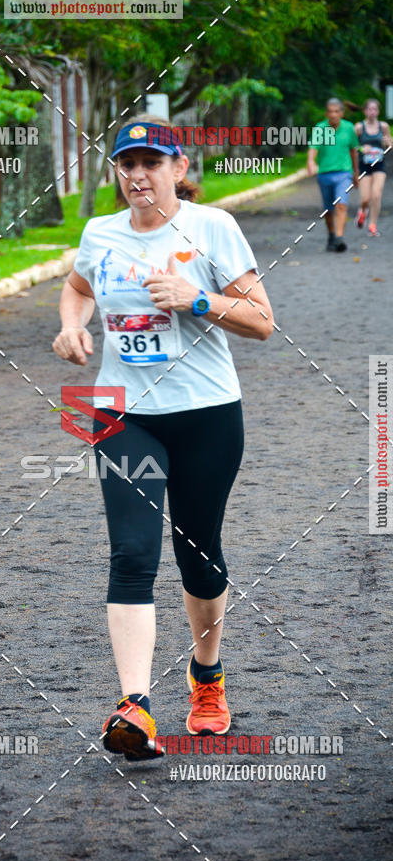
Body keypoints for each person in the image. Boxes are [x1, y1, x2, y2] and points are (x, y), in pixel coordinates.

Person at [52, 115, 274, 761]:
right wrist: (72, 327)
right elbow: (76, 289)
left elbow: (263, 321)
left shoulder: (213, 230)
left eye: (152, 163)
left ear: (180, 169)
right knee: (132, 551)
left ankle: (206, 677)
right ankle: (135, 707)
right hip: (125, 415)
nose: (138, 175)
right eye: (127, 165)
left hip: (207, 415)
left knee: (198, 556)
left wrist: (197, 299)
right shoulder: (100, 234)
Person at [307, 97, 360, 252]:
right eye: (330, 112)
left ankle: (339, 238)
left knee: (341, 205)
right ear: (326, 113)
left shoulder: (349, 128)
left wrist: (356, 173)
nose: (333, 115)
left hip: (344, 173)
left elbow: (353, 151)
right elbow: (313, 147)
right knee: (328, 210)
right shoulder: (320, 128)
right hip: (325, 174)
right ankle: (331, 235)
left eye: (336, 111)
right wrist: (310, 161)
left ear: (342, 113)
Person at [354, 98, 391, 236]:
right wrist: (362, 148)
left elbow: (390, 146)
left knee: (376, 195)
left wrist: (388, 142)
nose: (372, 112)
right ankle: (362, 211)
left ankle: (372, 225)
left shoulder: (383, 127)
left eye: (375, 109)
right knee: (365, 198)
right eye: (369, 109)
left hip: (379, 164)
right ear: (365, 111)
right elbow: (351, 145)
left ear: (378, 111)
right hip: (364, 165)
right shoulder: (359, 127)